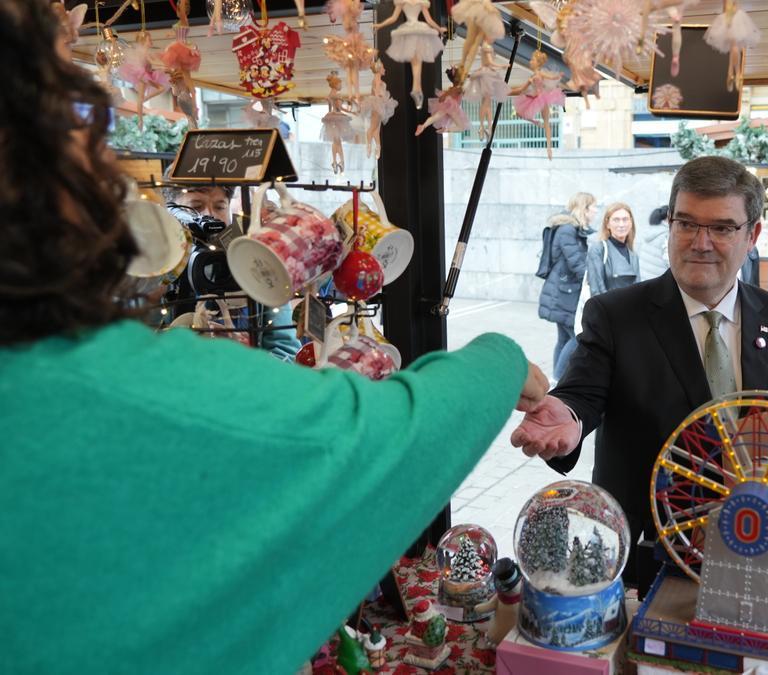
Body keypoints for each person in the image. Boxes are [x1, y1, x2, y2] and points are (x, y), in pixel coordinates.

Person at [0, 3, 548, 671]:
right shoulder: (125, 388)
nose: (106, 168)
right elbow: (388, 436)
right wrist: (503, 357)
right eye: (84, 118)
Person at [511, 156, 768, 581]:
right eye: (686, 223)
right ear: (669, 225)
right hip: (648, 556)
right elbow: (581, 393)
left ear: (753, 235)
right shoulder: (616, 315)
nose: (700, 242)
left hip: (760, 548)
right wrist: (569, 416)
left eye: (722, 228)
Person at [161, 181, 302, 362]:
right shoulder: (152, 270)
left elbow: (286, 351)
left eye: (220, 207)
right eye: (196, 207)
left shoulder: (255, 264)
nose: (209, 215)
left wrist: (241, 357)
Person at [537, 192, 596, 379]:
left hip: (563, 292)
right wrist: (594, 278)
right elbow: (577, 264)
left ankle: (556, 381)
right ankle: (558, 380)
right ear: (584, 208)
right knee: (578, 338)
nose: (595, 211)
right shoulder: (568, 230)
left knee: (563, 339)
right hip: (564, 294)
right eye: (593, 207)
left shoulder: (571, 228)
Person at [586, 202, 640, 296]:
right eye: (616, 220)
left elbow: (638, 289)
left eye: (625, 219)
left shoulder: (633, 254)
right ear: (607, 224)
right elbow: (596, 290)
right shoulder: (598, 250)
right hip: (607, 308)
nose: (621, 224)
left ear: (631, 223)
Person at [639, 204, 671, 280]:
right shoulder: (666, 235)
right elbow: (670, 263)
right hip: (659, 284)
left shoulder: (650, 232)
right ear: (668, 218)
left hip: (646, 281)